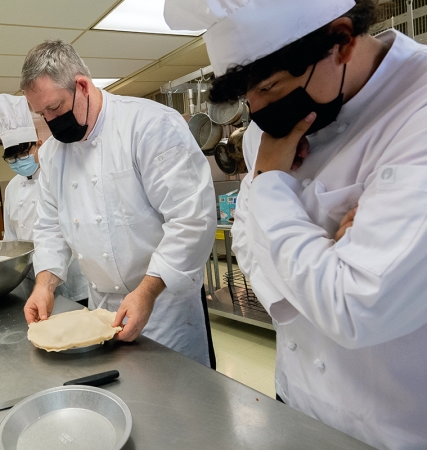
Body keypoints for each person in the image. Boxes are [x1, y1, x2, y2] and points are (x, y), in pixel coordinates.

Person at [165, 0, 427, 447]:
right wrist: (327, 254)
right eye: (249, 98)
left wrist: (268, 186)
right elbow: (247, 244)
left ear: (341, 41)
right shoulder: (260, 138)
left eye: (270, 87)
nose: (259, 111)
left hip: (393, 424)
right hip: (294, 399)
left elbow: (357, 305)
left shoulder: (415, 113)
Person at [20, 41, 217, 367]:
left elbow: (191, 219)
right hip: (102, 310)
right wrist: (45, 285)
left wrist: (146, 292)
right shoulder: (54, 155)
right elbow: (50, 227)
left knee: (180, 404)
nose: (50, 121)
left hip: (164, 303)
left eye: (54, 108)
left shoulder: (149, 126)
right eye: (41, 114)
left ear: (82, 86)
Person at [0, 94, 89, 305]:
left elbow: (72, 229)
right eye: (12, 158)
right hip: (30, 281)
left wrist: (49, 269)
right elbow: (11, 238)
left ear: (38, 144)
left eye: (23, 153)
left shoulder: (59, 175)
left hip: (71, 279)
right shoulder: (11, 189)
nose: (18, 161)